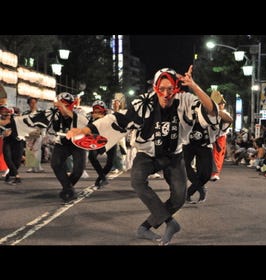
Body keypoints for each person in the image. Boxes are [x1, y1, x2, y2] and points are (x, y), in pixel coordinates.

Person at [66, 66, 217, 245]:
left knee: (179, 197)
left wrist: (194, 86)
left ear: (176, 89)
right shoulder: (143, 103)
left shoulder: (186, 100)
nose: (166, 94)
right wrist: (84, 129)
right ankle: (170, 223)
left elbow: (210, 111)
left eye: (170, 89)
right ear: (155, 88)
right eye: (162, 89)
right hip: (147, 154)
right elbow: (117, 119)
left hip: (174, 155)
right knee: (137, 180)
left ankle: (145, 227)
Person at [49, 92, 89, 202]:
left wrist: (65, 109)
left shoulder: (80, 112)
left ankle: (67, 188)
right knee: (55, 163)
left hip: (77, 143)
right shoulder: (55, 114)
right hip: (62, 143)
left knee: (78, 170)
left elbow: (85, 122)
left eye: (66, 105)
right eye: (60, 106)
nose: (62, 109)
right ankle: (68, 189)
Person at [87, 100, 116, 190]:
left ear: (104, 111)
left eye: (99, 111)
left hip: (110, 139)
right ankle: (103, 177)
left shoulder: (110, 116)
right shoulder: (89, 117)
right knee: (91, 156)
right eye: (95, 111)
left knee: (110, 163)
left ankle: (99, 179)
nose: (97, 113)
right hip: (97, 140)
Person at [210, 91, 233, 181]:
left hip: (220, 137)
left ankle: (215, 173)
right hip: (211, 137)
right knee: (211, 155)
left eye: (222, 103)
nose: (221, 105)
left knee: (218, 156)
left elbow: (229, 120)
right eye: (219, 103)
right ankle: (210, 172)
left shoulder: (225, 113)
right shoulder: (210, 112)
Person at [22, 97, 45, 173]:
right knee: (29, 150)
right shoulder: (25, 113)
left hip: (38, 132)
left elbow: (45, 122)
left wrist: (43, 132)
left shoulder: (40, 112)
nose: (33, 104)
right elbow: (22, 122)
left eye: (34, 102)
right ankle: (31, 167)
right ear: (28, 104)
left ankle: (37, 166)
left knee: (37, 149)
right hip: (29, 133)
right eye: (31, 102)